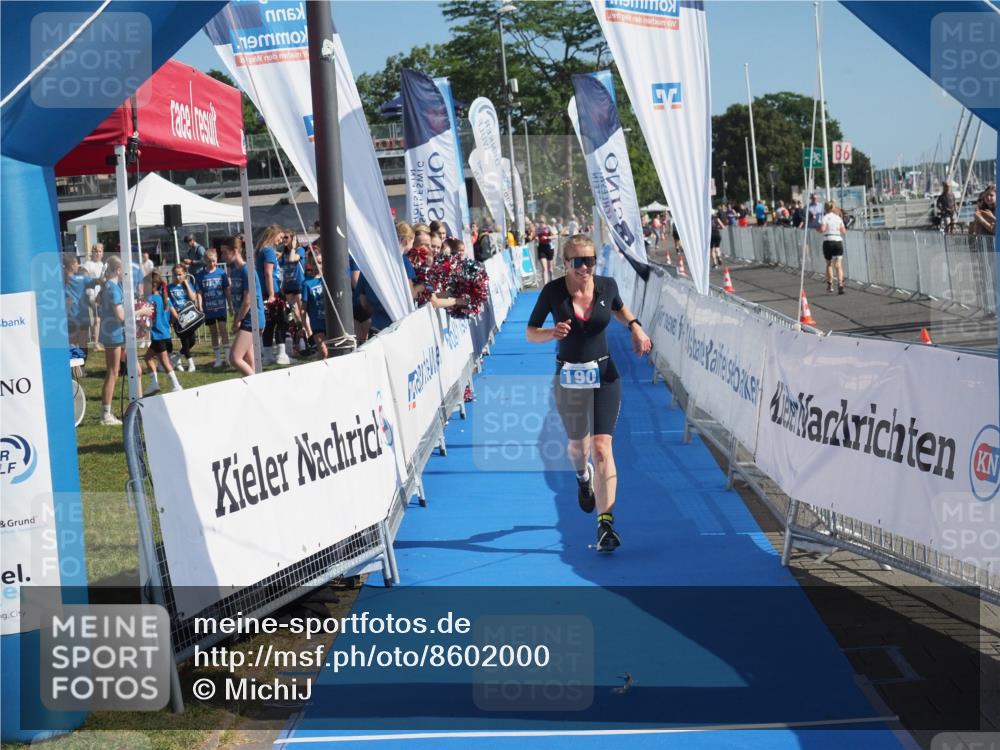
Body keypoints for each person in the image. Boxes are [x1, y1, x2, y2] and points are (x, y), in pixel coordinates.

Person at [526, 235, 651, 553]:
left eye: (589, 260)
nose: (584, 267)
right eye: (577, 261)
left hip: (605, 375)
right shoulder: (553, 292)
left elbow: (620, 309)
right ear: (565, 263)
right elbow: (530, 332)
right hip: (569, 377)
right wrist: (550, 333)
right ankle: (583, 479)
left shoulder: (606, 286)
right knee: (577, 450)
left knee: (602, 447)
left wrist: (636, 327)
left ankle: (605, 523)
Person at [222, 235, 264, 377]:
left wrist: (237, 320)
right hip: (245, 317)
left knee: (235, 358)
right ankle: (255, 389)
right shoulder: (234, 271)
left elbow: (248, 300)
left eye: (224, 252)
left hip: (251, 318)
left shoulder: (247, 270)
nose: (223, 256)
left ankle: (258, 387)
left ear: (235, 251)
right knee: (248, 359)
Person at [96, 256, 126, 425]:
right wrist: (141, 312)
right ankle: (106, 414)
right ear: (118, 270)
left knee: (112, 372)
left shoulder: (109, 285)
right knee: (113, 373)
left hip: (110, 333)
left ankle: (106, 412)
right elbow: (120, 315)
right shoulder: (112, 288)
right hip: (113, 334)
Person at [142, 271, 183, 395]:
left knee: (165, 362)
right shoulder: (164, 297)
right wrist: (168, 322)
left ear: (152, 285)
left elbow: (146, 315)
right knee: (148, 357)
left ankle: (176, 385)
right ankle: (154, 384)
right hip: (165, 334)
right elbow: (175, 315)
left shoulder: (150, 299)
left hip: (158, 335)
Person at [255, 225, 289, 365]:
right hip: (272, 292)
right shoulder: (268, 251)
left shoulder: (263, 250)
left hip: (266, 291)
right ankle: (281, 354)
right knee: (282, 322)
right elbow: (268, 273)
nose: (280, 241)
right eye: (279, 237)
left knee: (269, 324)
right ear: (272, 235)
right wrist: (271, 295)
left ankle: (268, 355)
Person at [195, 248, 231, 368]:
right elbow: (199, 292)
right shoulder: (200, 275)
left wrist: (230, 305)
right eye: (209, 261)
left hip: (220, 307)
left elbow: (226, 289)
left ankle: (227, 357)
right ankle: (218, 359)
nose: (212, 264)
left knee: (223, 330)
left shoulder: (221, 273)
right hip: (208, 309)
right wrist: (199, 306)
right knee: (213, 333)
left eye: (214, 261)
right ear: (205, 261)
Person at [63, 254, 99, 360]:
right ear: (72, 264)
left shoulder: (60, 279)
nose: (78, 265)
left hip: (68, 316)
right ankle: (81, 368)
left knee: (71, 344)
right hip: (81, 315)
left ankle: (74, 369)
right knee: (83, 343)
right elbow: (96, 281)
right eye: (76, 263)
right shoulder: (81, 278)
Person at [167, 264, 201, 372]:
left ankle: (176, 357)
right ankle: (191, 364)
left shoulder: (187, 284)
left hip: (189, 315)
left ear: (184, 274)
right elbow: (168, 303)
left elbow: (193, 298)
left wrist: (186, 283)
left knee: (192, 341)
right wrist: (172, 316)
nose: (178, 277)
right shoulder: (169, 288)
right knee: (185, 340)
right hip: (177, 316)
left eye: (180, 275)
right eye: (175, 275)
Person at [302, 254, 328, 359]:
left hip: (330, 322)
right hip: (317, 324)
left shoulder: (328, 279)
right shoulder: (307, 283)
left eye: (320, 262)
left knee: (333, 352)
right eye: (314, 263)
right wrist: (307, 329)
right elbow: (303, 309)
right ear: (310, 265)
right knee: (324, 352)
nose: (318, 265)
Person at [818, 200, 847, 294]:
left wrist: (818, 229)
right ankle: (840, 284)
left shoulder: (825, 217)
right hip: (838, 240)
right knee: (838, 265)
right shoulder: (838, 218)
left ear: (825, 209)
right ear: (834, 208)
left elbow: (822, 229)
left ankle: (830, 285)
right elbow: (844, 231)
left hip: (828, 240)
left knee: (829, 264)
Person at [82, 243, 106, 349]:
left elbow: (104, 280)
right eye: (96, 251)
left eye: (100, 251)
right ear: (92, 252)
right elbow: (84, 279)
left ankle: (96, 343)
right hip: (89, 295)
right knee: (91, 321)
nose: (97, 253)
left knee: (98, 320)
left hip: (99, 295)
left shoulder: (102, 265)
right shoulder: (88, 264)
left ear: (102, 253)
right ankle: (86, 341)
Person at [535, 216, 554, 284]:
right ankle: (545, 285)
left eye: (542, 222)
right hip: (541, 248)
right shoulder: (537, 229)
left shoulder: (548, 228)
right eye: (540, 222)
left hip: (548, 247)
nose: (541, 223)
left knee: (550, 268)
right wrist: (536, 238)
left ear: (545, 222)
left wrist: (547, 237)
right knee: (544, 268)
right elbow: (535, 236)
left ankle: (551, 280)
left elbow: (555, 236)